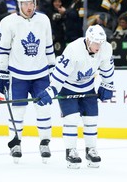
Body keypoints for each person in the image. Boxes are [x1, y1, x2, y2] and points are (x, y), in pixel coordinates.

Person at [36, 24, 115, 169]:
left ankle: (91, 150)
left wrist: (108, 84)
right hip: (67, 87)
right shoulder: (73, 49)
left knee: (91, 119)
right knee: (71, 119)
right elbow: (59, 75)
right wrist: (51, 90)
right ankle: (71, 151)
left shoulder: (106, 48)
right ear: (89, 40)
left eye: (101, 42)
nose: (99, 46)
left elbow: (107, 68)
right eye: (96, 43)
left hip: (87, 86)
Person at [0, 0, 56, 163]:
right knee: (18, 111)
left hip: (41, 73)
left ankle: (44, 142)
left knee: (43, 108)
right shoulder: (8, 22)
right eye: (25, 4)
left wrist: (53, 69)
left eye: (32, 3)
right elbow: (2, 50)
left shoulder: (43, 19)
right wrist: (2, 72)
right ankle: (16, 144)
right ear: (18, 4)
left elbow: (49, 46)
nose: (29, 7)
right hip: (18, 75)